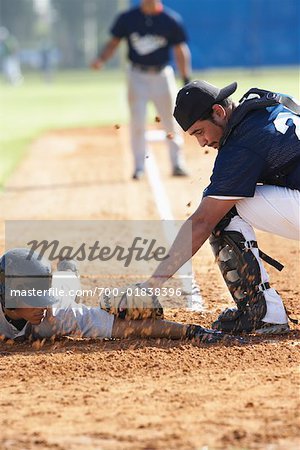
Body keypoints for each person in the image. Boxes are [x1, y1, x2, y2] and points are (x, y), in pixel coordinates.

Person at [105, 80, 300, 335]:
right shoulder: (268, 104)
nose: (202, 142)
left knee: (223, 210)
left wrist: (151, 286)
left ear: (219, 112)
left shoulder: (241, 145)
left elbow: (202, 222)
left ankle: (263, 314)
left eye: (200, 132)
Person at [0, 247, 238, 345]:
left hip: (63, 293)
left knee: (67, 289)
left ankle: (67, 272)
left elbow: (124, 328)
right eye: (34, 299)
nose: (42, 307)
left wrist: (191, 331)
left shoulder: (60, 313)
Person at [91, 0, 192, 180]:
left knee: (170, 119)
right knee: (137, 122)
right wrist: (101, 59)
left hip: (162, 75)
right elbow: (114, 42)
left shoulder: (170, 19)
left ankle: (177, 163)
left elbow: (180, 50)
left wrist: (185, 78)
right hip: (137, 75)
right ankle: (139, 166)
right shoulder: (128, 18)